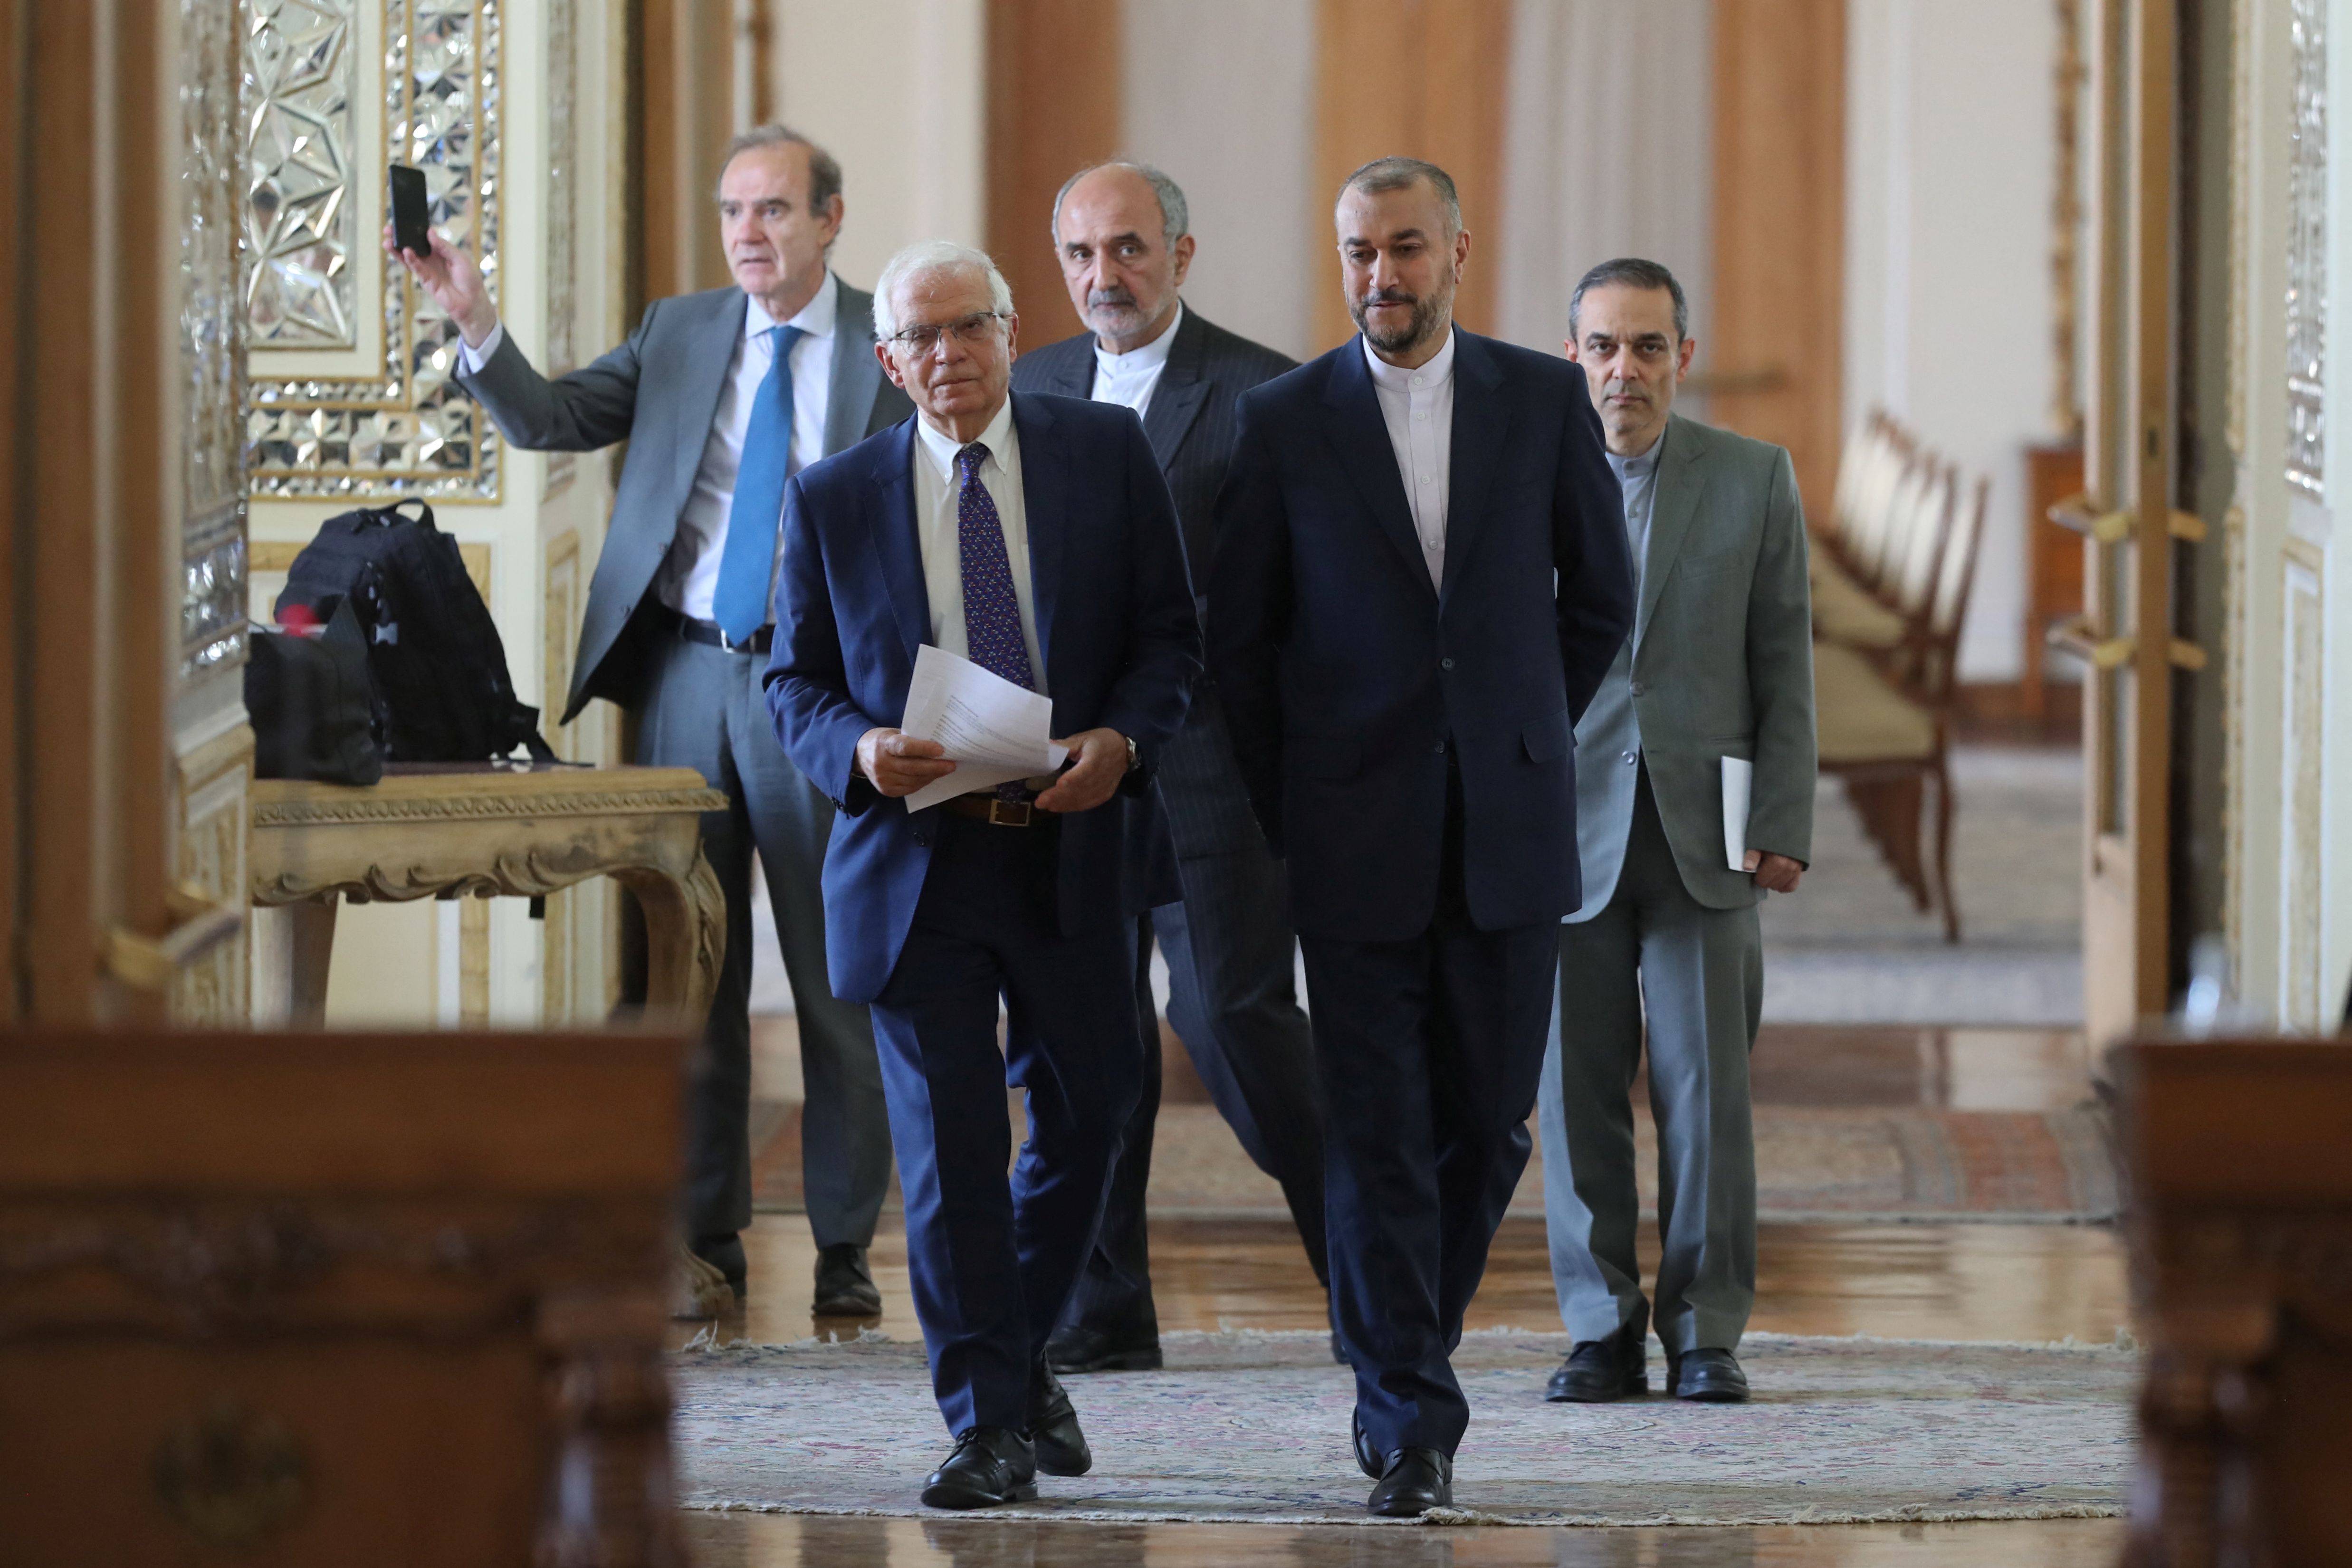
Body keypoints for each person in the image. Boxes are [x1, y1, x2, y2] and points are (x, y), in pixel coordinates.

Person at [390, 127, 911, 1320]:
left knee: (837, 977)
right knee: (690, 965)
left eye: (775, 211)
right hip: (685, 677)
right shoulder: (683, 331)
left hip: (819, 688)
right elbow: (554, 417)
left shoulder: (888, 339)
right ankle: (704, 1232)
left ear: (829, 220)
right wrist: (473, 318)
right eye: (734, 212)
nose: (750, 235)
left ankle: (841, 1242)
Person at [1210, 157, 1633, 1516]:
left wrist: (1516, 731)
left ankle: (1398, 1338)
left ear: (1456, 248)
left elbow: (1596, 602)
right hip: (1349, 832)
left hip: (1505, 828)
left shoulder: (1540, 394)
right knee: (1379, 1129)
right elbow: (1243, 642)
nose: (1376, 276)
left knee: (1487, 1122)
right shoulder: (1282, 420)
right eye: (1354, 252)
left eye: (1401, 249)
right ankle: (1407, 1416)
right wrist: (1297, 799)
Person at [765, 242, 1199, 1509]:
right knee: (950, 1148)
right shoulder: (833, 495)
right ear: (886, 358)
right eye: (922, 336)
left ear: (1013, 335)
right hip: (917, 862)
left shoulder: (1100, 457)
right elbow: (790, 679)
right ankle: (985, 1420)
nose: (948, 354)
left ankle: (1009, 1356)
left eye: (971, 328)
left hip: (1068, 841)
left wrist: (1120, 742)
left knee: (1096, 1108)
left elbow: (1173, 635)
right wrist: (852, 746)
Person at [1009, 159, 1326, 1374]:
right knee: (1090, 1049)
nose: (1106, 277)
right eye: (1083, 256)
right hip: (1061, 777)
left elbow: (1302, 601)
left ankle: (1376, 1277)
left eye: (1129, 250)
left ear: (1180, 257)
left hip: (1209, 775)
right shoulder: (1027, 383)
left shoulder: (1263, 394)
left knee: (1237, 1026)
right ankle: (1106, 1305)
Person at [1539, 258, 1815, 1405]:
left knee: (1709, 1097)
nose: (1625, 370)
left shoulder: (1751, 478)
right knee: (1574, 1092)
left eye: (1648, 347)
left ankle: (1706, 1328)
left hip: (1709, 833)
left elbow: (1782, 663)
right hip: (1563, 831)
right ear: (1576, 361)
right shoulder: (1526, 483)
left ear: (1682, 358)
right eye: (1603, 347)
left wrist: (1787, 819)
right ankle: (1601, 1326)